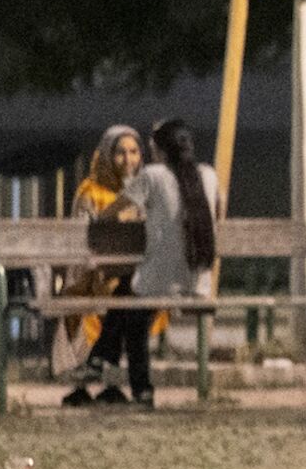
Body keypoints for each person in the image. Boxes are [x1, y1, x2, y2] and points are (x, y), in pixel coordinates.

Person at [91, 119, 217, 410]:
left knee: (132, 312)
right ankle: (101, 358)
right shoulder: (207, 175)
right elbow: (216, 211)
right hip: (198, 280)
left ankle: (136, 386)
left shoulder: (153, 175)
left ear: (160, 150)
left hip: (162, 280)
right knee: (127, 293)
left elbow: (108, 214)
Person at [60, 126, 168, 407]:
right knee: (125, 298)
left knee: (127, 297)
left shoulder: (144, 191)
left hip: (131, 278)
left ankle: (101, 367)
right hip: (97, 276)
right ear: (107, 155)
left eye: (134, 152)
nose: (128, 159)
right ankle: (120, 381)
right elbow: (81, 241)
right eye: (120, 153)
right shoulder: (91, 191)